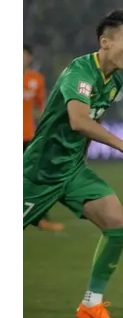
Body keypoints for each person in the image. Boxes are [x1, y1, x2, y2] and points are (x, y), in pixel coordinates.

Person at [23, 10, 123, 318]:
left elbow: (92, 122)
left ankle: (92, 304)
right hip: (40, 172)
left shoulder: (115, 81)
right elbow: (79, 121)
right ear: (105, 42)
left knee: (116, 223)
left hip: (73, 171)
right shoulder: (80, 71)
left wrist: (81, 158)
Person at [23, 44, 64, 231]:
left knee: (35, 177)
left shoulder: (36, 79)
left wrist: (46, 130)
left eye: (24, 56)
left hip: (27, 135)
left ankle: (40, 217)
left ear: (29, 58)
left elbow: (43, 107)